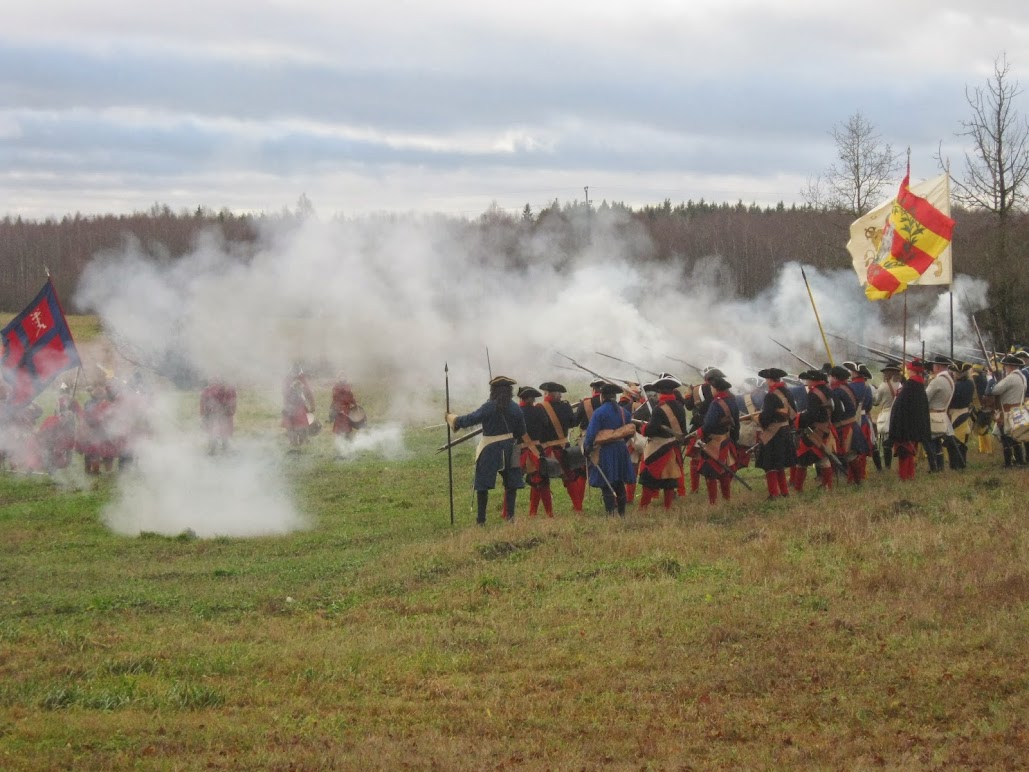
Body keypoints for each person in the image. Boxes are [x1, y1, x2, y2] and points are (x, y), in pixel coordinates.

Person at [446, 376, 531, 525]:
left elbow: (469, 420)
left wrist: (452, 419)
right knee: (511, 485)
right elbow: (521, 431)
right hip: (510, 447)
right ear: (509, 391)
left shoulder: (488, 407)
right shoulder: (516, 408)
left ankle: (481, 520)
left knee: (482, 485)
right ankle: (510, 517)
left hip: (490, 449)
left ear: (494, 390)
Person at [583, 382, 637, 516]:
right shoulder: (624, 412)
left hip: (606, 450)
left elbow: (591, 434)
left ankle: (610, 514)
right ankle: (622, 513)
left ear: (602, 396)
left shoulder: (599, 413)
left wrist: (587, 448)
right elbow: (628, 432)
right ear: (615, 397)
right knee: (619, 482)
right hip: (621, 449)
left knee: (606, 482)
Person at [635, 374, 688, 510]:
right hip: (673, 446)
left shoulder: (659, 408)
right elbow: (682, 429)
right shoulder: (679, 406)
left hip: (658, 447)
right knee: (669, 479)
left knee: (649, 477)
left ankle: (643, 507)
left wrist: (643, 428)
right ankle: (667, 507)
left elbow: (651, 430)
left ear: (659, 391)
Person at [687, 375, 739, 505]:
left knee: (710, 472)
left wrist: (700, 432)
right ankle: (726, 498)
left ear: (715, 389)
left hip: (713, 441)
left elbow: (709, 424)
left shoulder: (716, 403)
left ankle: (713, 502)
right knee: (723, 471)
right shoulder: (731, 400)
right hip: (726, 439)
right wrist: (734, 439)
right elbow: (736, 423)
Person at [538, 382, 584, 512]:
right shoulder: (565, 406)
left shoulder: (540, 408)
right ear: (557, 394)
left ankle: (537, 513)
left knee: (540, 481)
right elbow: (573, 423)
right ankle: (578, 508)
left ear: (547, 394)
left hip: (547, 449)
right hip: (563, 448)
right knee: (571, 478)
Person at [753, 367, 797, 500]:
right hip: (785, 430)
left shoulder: (771, 396)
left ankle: (774, 493)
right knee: (779, 464)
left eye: (767, 379)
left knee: (770, 464)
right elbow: (793, 412)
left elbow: (766, 416)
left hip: (774, 433)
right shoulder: (787, 392)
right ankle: (784, 491)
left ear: (770, 380)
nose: (766, 382)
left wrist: (757, 419)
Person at [794, 369, 837, 491]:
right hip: (825, 428)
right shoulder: (827, 390)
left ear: (813, 381)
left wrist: (799, 417)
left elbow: (812, 414)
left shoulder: (814, 394)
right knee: (822, 457)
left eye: (808, 380)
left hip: (815, 429)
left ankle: (798, 488)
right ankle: (827, 486)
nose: (807, 382)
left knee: (802, 458)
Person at [889, 359, 933, 481]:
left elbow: (900, 407)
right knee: (909, 450)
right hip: (914, 424)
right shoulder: (918, 385)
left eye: (909, 370)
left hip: (905, 425)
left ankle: (905, 475)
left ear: (912, 371)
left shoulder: (910, 386)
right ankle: (909, 474)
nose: (908, 371)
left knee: (905, 452)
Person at [829, 365, 871, 484]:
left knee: (849, 454)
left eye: (831, 376)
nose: (829, 379)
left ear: (835, 378)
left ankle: (857, 480)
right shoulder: (847, 388)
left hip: (845, 426)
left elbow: (835, 410)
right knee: (850, 454)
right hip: (851, 423)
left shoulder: (837, 391)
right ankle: (855, 480)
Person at [516, 386, 552, 517]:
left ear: (521, 398)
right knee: (542, 482)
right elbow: (546, 424)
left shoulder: (517, 411)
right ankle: (547, 512)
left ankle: (507, 513)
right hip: (537, 450)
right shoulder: (539, 411)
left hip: (521, 451)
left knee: (511, 484)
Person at [988, 354, 1028, 468]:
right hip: (1017, 410)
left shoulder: (1010, 378)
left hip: (1008, 412)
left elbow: (995, 390)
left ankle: (1009, 462)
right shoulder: (1022, 376)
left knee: (1006, 437)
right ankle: (1019, 460)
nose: (1004, 368)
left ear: (1010, 366)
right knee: (1015, 437)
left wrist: (991, 379)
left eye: (1005, 366)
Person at [925, 355, 964, 471]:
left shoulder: (937, 381)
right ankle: (940, 466)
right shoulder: (949, 379)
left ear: (938, 367)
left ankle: (934, 467)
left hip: (933, 415)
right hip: (942, 414)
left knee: (931, 442)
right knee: (937, 442)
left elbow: (925, 398)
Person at [872, 361, 903, 470]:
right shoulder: (900, 385)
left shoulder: (883, 386)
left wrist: (874, 392)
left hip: (887, 415)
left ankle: (888, 466)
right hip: (899, 414)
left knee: (886, 442)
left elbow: (876, 402)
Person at [948, 362, 975, 469]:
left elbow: (951, 399)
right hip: (964, 412)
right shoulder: (970, 383)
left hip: (956, 413)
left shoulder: (956, 386)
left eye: (955, 372)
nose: (953, 374)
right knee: (961, 441)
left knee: (954, 442)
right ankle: (961, 463)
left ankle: (956, 465)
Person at [200, 378, 237, 455]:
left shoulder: (229, 390)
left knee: (224, 431)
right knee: (212, 431)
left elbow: (232, 403)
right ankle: (212, 448)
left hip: (224, 413)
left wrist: (228, 410)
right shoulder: (207, 390)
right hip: (211, 414)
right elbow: (203, 402)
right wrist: (204, 414)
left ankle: (225, 447)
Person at [282, 365, 315, 449]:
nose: (295, 374)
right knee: (290, 426)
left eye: (297, 372)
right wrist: (292, 388)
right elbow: (285, 394)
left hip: (300, 407)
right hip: (290, 407)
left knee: (302, 425)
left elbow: (308, 392)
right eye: (293, 372)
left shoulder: (302, 379)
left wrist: (312, 405)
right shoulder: (287, 380)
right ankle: (293, 443)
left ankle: (303, 441)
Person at [970, 363, 994, 455]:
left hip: (980, 405)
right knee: (981, 427)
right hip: (983, 405)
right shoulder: (982, 378)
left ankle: (988, 449)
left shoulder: (975, 378)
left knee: (983, 429)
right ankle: (982, 448)